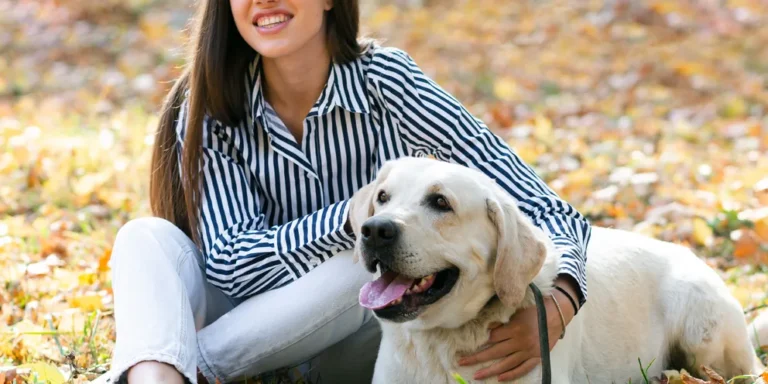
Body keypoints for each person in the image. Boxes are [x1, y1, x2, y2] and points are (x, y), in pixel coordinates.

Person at [103, 0, 592, 383]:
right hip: (244, 318)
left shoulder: (388, 82)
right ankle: (158, 377)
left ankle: (188, 367)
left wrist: (559, 306)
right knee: (143, 237)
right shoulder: (210, 102)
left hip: (349, 335)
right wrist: (353, 218)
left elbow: (545, 209)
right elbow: (231, 266)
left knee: (359, 258)